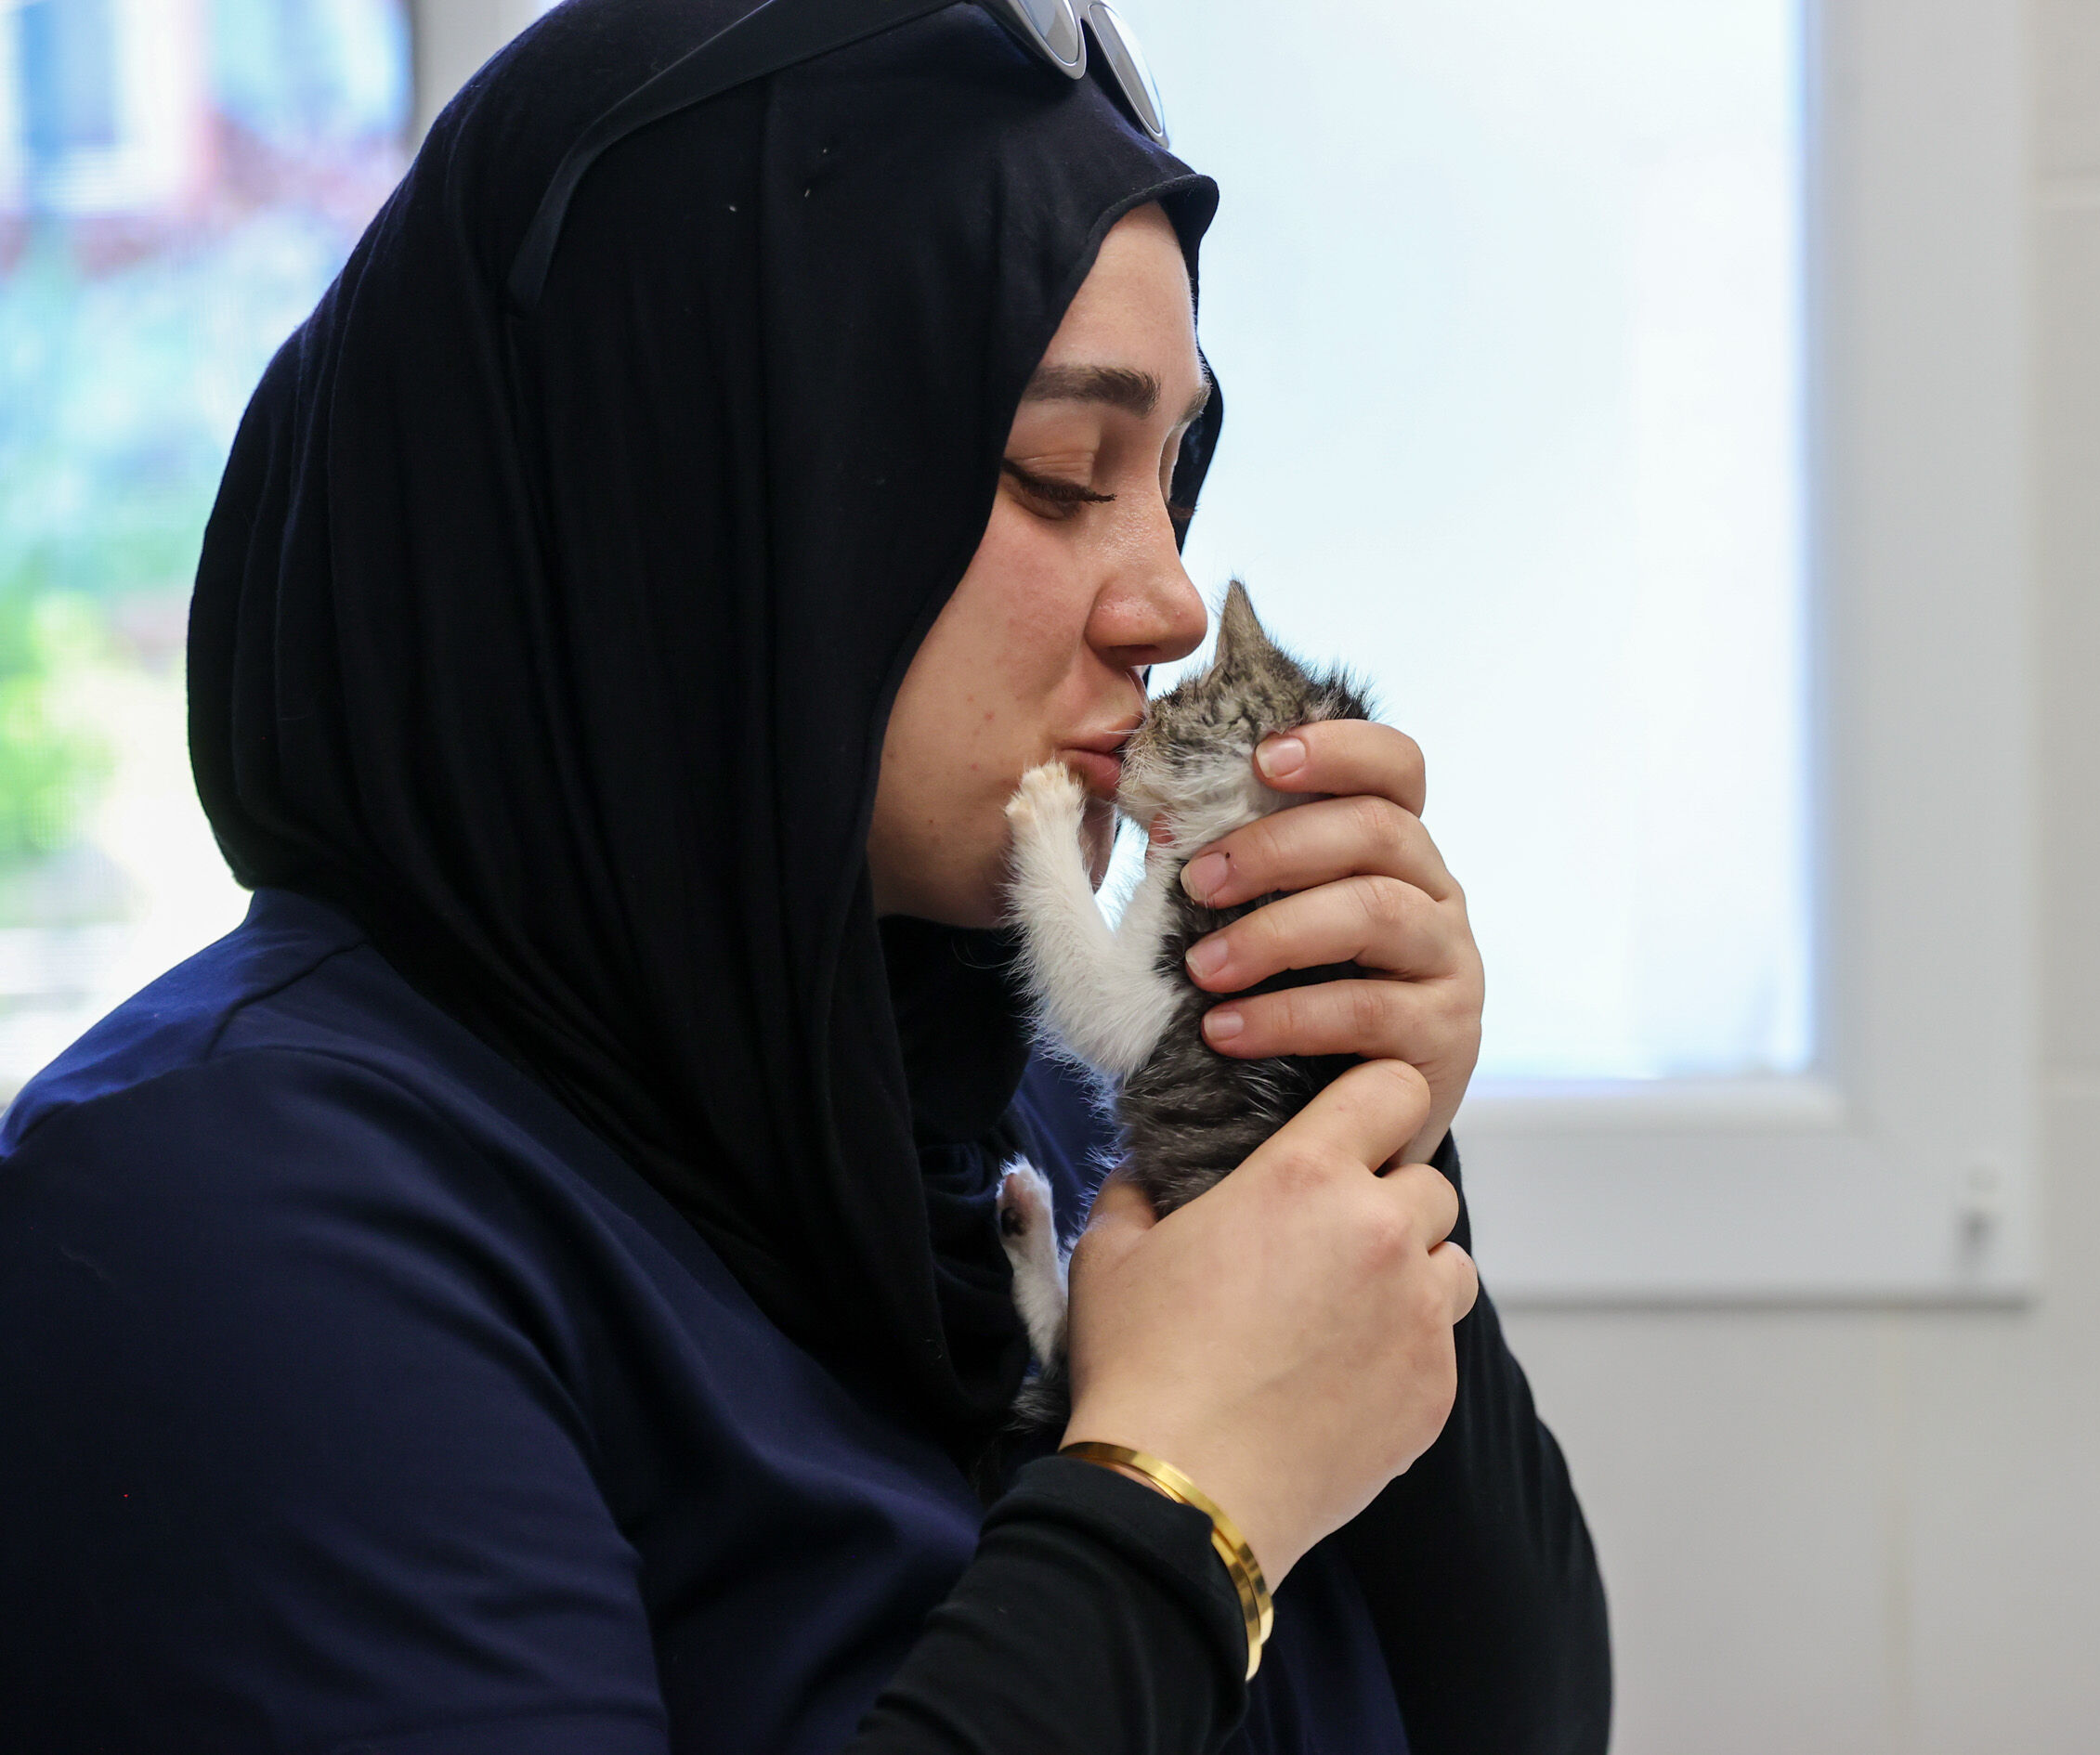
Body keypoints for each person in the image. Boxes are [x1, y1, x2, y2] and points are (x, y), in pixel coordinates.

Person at [0, 2, 1611, 1750]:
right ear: (683, 495)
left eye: (1171, 482)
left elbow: (1507, 1713)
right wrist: (1175, 1491)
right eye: (1060, 473)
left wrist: (1333, 1086)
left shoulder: (1011, 1105)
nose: (1163, 601)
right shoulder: (226, 1222)